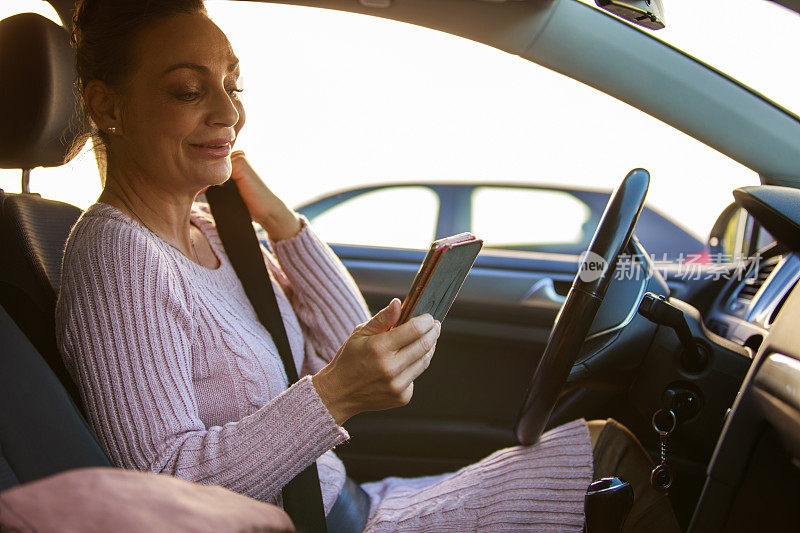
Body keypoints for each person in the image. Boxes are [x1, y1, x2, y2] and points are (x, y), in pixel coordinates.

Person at [55, 1, 677, 531]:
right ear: (109, 107)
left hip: (353, 505)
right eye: (189, 91)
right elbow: (164, 486)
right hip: (321, 522)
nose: (228, 112)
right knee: (613, 461)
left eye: (232, 85)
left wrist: (282, 225)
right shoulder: (119, 257)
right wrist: (334, 397)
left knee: (604, 446)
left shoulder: (209, 230)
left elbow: (342, 340)